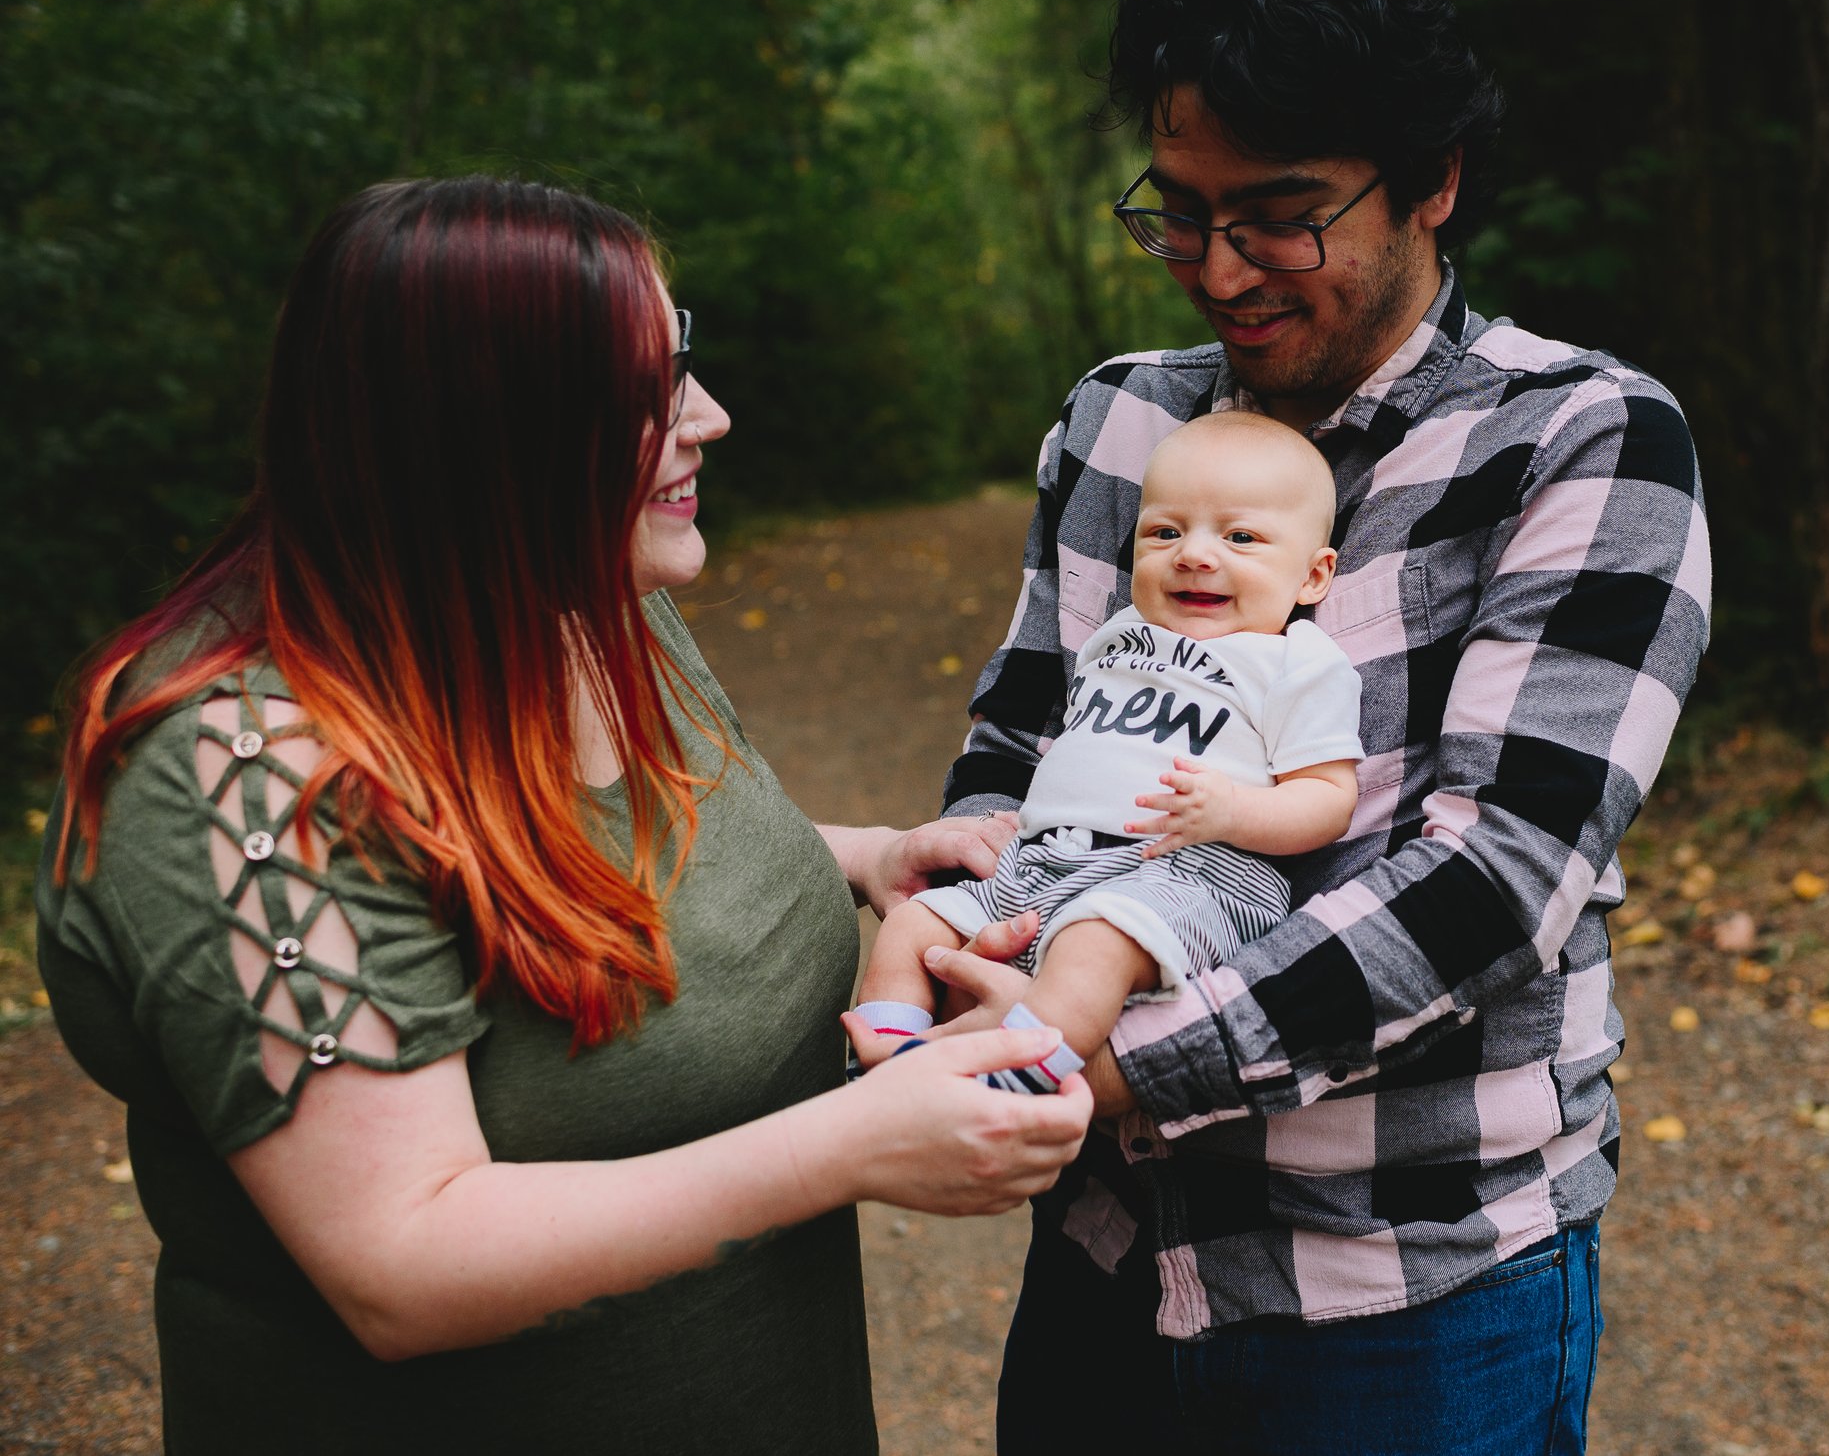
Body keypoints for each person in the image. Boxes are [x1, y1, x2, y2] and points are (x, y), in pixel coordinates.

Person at [33, 176, 1091, 1452]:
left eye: (680, 360)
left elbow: (611, 859)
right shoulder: (243, 765)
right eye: (642, 394)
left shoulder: (584, 598)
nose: (709, 416)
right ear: (481, 430)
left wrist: (870, 857)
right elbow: (401, 1260)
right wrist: (851, 1146)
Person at [927, 0, 1712, 1453]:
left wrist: (1091, 1052)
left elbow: (1499, 876)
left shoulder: (1581, 439)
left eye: (1281, 214)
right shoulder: (1117, 426)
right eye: (1182, 213)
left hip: (1408, 1283)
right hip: (1107, 1256)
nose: (1219, 270)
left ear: (1433, 179)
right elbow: (1021, 740)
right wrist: (977, 942)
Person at [846, 412, 1362, 1094]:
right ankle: (884, 1062)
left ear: (1313, 575)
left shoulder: (1297, 660)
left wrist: (1234, 810)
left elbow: (1329, 796)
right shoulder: (1119, 635)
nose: (1195, 554)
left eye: (1239, 537)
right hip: (1046, 858)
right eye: (1165, 532)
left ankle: (1016, 1074)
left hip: (1188, 870)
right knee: (916, 921)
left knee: (1093, 945)